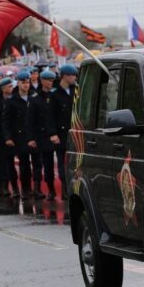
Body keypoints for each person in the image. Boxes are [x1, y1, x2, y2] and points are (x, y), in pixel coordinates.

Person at [26, 69, 59, 199]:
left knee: (50, 164)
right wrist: (30, 138)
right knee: (39, 164)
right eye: (48, 80)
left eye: (52, 80)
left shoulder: (55, 96)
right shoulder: (35, 98)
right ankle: (38, 189)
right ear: (42, 81)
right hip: (39, 136)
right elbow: (29, 120)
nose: (50, 83)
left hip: (52, 135)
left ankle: (51, 189)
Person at [3, 70, 34, 199]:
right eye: (23, 82)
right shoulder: (12, 101)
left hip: (34, 135)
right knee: (24, 164)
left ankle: (34, 189)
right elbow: (6, 121)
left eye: (27, 82)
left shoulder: (34, 97)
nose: (26, 85)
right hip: (20, 137)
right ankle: (25, 189)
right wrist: (8, 137)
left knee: (37, 163)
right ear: (18, 83)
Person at [52, 64, 78, 192]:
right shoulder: (54, 94)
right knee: (63, 162)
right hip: (60, 134)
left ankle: (73, 186)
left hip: (74, 132)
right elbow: (49, 116)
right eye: (72, 75)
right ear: (65, 76)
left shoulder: (76, 91)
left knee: (74, 162)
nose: (74, 77)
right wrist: (53, 133)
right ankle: (64, 187)